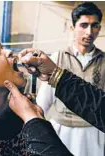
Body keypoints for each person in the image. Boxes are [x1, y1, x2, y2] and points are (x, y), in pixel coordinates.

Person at [34, 2, 105, 156]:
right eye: (84, 25)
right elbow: (43, 102)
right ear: (73, 28)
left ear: (99, 28)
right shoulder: (56, 58)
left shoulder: (104, 61)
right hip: (62, 131)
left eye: (94, 26)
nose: (89, 32)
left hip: (94, 135)